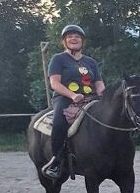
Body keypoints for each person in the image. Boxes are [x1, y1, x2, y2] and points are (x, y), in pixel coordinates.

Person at [42, 24, 105, 180]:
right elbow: (54, 83)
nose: (73, 39)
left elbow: (98, 83)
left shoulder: (90, 62)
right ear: (65, 41)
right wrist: (72, 95)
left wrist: (105, 95)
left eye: (77, 36)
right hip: (65, 99)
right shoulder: (58, 59)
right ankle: (56, 161)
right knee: (58, 122)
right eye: (69, 37)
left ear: (82, 41)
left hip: (91, 98)